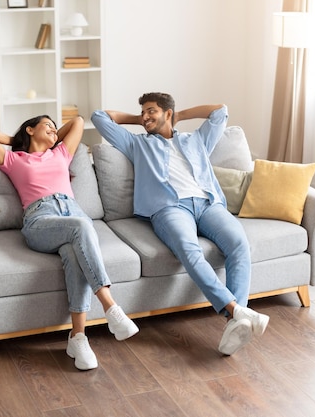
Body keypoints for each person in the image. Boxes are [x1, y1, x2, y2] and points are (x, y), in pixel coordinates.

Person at [91, 92, 269, 355]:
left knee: (239, 244)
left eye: (151, 111)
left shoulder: (196, 139)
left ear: (168, 113)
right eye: (143, 112)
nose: (145, 116)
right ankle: (235, 310)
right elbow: (100, 117)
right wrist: (141, 120)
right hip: (169, 208)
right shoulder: (138, 144)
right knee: (189, 250)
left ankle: (236, 321)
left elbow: (220, 111)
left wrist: (177, 116)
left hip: (208, 203)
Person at [0, 115, 139, 371]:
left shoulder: (61, 153)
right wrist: (16, 139)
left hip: (71, 214)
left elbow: (79, 122)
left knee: (74, 255)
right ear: (30, 129)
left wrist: (51, 136)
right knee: (83, 226)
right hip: (40, 220)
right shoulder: (13, 159)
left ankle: (78, 338)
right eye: (46, 125)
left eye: (54, 127)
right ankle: (110, 306)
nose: (53, 130)